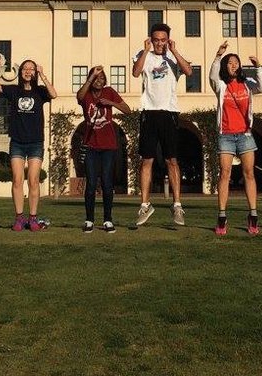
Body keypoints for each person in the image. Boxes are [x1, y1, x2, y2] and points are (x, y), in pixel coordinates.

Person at [0, 56, 58, 231]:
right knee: (17, 180)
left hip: (35, 142)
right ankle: (19, 218)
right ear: (21, 72)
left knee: (33, 180)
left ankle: (33, 218)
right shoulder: (14, 90)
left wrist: (43, 75)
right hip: (17, 141)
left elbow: (54, 94)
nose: (28, 71)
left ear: (35, 72)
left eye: (31, 68)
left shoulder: (40, 92)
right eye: (25, 68)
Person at [131, 23, 193, 226]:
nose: (159, 43)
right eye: (156, 40)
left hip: (170, 113)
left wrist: (174, 50)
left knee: (171, 160)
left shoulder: (173, 56)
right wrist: (146, 50)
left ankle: (176, 206)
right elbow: (135, 72)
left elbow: (189, 71)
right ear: (151, 39)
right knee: (146, 160)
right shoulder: (144, 54)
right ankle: (145, 205)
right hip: (149, 112)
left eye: (163, 40)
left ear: (168, 40)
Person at [209, 42, 262, 235]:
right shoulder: (222, 86)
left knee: (249, 173)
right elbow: (212, 76)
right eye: (230, 62)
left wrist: (258, 68)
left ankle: (253, 215)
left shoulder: (247, 84)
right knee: (225, 174)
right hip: (226, 135)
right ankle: (222, 216)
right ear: (225, 66)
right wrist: (218, 56)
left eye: (236, 62)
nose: (234, 65)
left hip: (245, 135)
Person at [76, 65, 132, 233]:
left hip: (108, 145)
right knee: (91, 183)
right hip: (91, 145)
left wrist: (111, 102)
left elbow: (128, 110)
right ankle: (89, 220)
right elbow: (79, 96)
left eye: (102, 78)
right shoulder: (85, 94)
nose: (99, 81)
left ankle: (108, 220)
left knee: (108, 183)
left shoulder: (110, 92)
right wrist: (90, 77)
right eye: (96, 78)